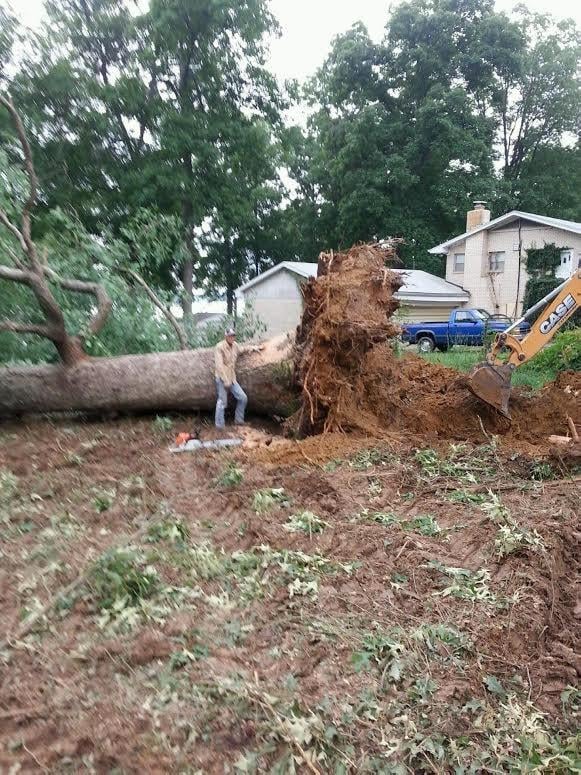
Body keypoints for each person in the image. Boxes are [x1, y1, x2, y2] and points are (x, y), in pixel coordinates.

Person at [214, 328, 262, 428]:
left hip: (232, 378)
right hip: (222, 378)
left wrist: (254, 348)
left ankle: (239, 420)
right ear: (226, 336)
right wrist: (225, 380)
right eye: (230, 336)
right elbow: (219, 366)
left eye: (233, 335)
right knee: (222, 402)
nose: (232, 337)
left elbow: (242, 349)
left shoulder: (235, 345)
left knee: (243, 398)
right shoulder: (219, 347)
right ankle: (219, 426)